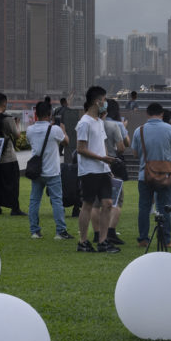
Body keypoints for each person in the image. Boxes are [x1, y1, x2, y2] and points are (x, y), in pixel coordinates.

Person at [129, 102, 171, 248]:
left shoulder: (138, 130)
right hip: (165, 175)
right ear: (161, 114)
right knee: (165, 207)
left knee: (144, 207)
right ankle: (166, 240)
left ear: (147, 114)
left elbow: (135, 153)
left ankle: (143, 239)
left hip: (144, 175)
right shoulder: (170, 129)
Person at [75, 86, 121, 253]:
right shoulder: (84, 123)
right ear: (97, 101)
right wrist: (102, 159)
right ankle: (83, 242)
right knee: (87, 204)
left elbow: (102, 146)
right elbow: (80, 148)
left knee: (108, 203)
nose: (105, 103)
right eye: (104, 100)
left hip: (102, 170)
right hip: (89, 170)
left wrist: (107, 164)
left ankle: (103, 242)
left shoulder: (99, 122)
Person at [26, 100, 70, 240]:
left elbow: (31, 143)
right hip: (52, 171)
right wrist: (62, 129)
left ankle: (34, 231)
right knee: (57, 201)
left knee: (34, 201)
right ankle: (60, 231)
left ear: (36, 114)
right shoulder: (55, 130)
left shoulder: (30, 130)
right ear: (50, 114)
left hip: (36, 171)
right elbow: (66, 142)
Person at [0, 94, 24, 216]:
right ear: (5, 103)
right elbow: (17, 135)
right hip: (8, 157)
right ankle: (14, 208)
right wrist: (17, 124)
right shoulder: (8, 119)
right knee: (12, 183)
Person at [101, 100, 130, 246]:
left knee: (97, 201)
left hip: (98, 164)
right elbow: (123, 147)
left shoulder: (97, 123)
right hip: (113, 164)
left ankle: (100, 233)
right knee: (117, 199)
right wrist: (124, 128)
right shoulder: (116, 125)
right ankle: (111, 232)